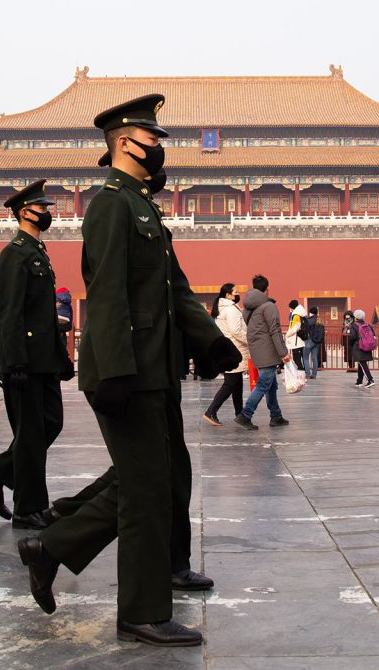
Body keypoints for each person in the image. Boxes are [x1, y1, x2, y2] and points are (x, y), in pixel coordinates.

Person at [16, 95, 239, 648]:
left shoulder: (142, 206)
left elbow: (176, 291)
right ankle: (139, 612)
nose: (160, 148)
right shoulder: (111, 205)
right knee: (144, 490)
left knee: (154, 481)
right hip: (127, 371)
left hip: (153, 369)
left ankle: (51, 547)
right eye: (153, 139)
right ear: (124, 142)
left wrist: (210, 343)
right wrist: (114, 370)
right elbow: (108, 292)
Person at [0, 180, 74, 530]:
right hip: (26, 361)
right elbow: (12, 312)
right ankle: (28, 508)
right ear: (24, 212)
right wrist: (13, 360)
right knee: (31, 434)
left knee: (51, 424)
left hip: (43, 359)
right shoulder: (15, 253)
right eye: (42, 207)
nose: (49, 213)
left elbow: (41, 313)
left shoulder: (36, 251)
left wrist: (60, 359)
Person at [236, 274, 289, 429]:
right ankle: (245, 415)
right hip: (268, 351)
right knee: (263, 384)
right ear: (267, 288)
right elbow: (275, 331)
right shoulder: (268, 306)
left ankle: (276, 415)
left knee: (271, 385)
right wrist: (283, 352)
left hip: (257, 348)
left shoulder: (247, 307)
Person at [203, 283, 250, 426]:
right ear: (228, 295)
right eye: (235, 292)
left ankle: (239, 413)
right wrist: (249, 339)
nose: (237, 294)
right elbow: (236, 331)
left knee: (236, 384)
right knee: (230, 384)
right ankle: (211, 412)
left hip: (230, 349)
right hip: (234, 350)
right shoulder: (231, 310)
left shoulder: (226, 309)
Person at [350, 309, 376, 387]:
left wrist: (351, 344)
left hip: (359, 346)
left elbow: (353, 337)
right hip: (367, 346)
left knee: (362, 363)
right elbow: (373, 335)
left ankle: (370, 380)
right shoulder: (368, 325)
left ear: (355, 317)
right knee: (361, 363)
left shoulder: (354, 325)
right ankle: (359, 381)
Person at [302, 306, 323, 379]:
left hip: (309, 341)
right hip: (316, 342)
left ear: (310, 313)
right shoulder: (319, 320)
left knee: (305, 358)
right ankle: (314, 375)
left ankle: (307, 374)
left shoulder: (308, 320)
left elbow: (304, 330)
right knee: (314, 358)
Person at [284, 299, 304, 365]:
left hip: (296, 342)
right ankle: (303, 372)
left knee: (297, 359)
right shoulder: (300, 314)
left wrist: (287, 334)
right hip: (300, 340)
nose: (289, 309)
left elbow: (294, 328)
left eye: (290, 308)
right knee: (301, 358)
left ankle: (301, 373)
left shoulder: (295, 316)